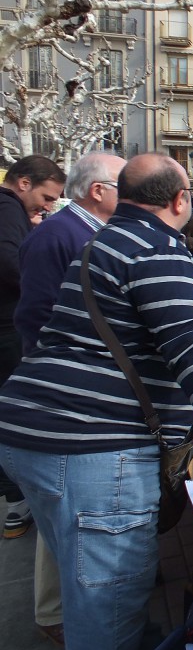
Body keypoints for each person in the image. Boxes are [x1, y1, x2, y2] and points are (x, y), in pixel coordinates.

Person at [0, 152, 193, 650]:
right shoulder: (156, 247)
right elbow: (191, 347)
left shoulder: (101, 241)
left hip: (39, 433)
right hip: (92, 447)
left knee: (89, 584)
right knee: (107, 607)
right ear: (180, 200)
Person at [12, 153, 110, 643]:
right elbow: (34, 317)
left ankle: (61, 610)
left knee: (67, 513)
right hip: (64, 401)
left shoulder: (78, 230)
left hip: (73, 394)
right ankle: (57, 615)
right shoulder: (62, 234)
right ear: (99, 190)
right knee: (66, 513)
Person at [0, 154, 66, 540]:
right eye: (46, 196)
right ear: (24, 183)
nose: (48, 205)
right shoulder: (8, 209)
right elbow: (9, 263)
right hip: (8, 327)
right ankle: (16, 501)